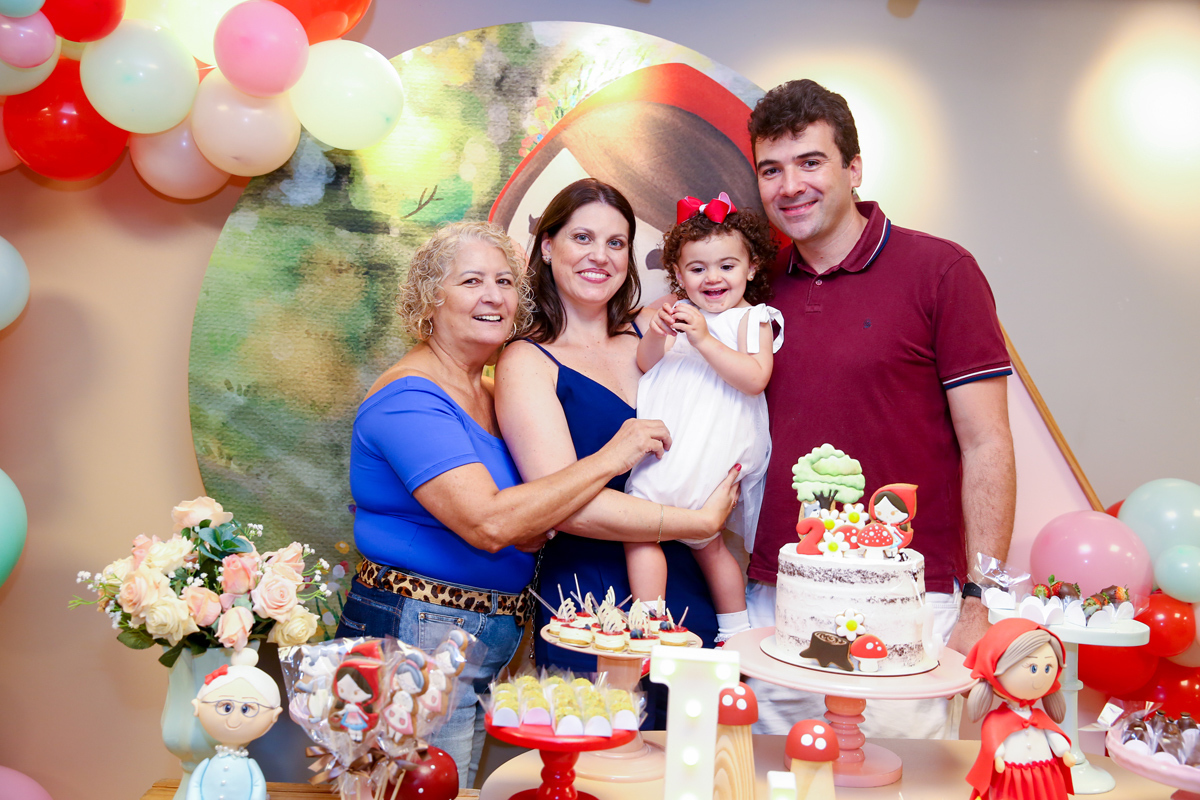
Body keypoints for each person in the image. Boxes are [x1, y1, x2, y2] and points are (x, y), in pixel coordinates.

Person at [335, 220, 674, 787]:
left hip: (475, 636)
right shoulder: (409, 396)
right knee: (411, 794)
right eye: (472, 281)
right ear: (430, 298)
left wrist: (529, 515)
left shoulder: (489, 391)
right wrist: (612, 457)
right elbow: (490, 522)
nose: (493, 296)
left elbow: (528, 510)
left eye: (504, 282)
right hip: (416, 636)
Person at [746, 79, 1016, 738]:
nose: (790, 186)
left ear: (854, 168)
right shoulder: (753, 283)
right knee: (773, 778)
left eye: (811, 162)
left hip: (906, 600)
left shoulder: (942, 271)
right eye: (771, 169)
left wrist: (981, 598)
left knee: (899, 778)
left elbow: (987, 444)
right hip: (778, 594)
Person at [494, 178, 740, 677]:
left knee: (691, 725)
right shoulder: (527, 361)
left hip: (687, 584)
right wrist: (698, 523)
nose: (599, 256)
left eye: (615, 242)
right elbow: (564, 506)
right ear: (547, 246)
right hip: (591, 600)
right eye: (582, 237)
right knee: (601, 725)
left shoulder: (655, 329)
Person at [623, 193, 781, 643]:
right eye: (697, 269)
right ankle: (726, 631)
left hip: (709, 447)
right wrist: (657, 334)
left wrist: (706, 339)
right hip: (674, 444)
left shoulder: (752, 319)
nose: (712, 278)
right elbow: (646, 364)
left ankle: (654, 627)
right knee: (702, 545)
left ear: (751, 268)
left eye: (727, 266)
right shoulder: (677, 316)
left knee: (642, 528)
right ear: (678, 275)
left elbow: (755, 377)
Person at [964, 618, 1075, 800]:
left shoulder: (1039, 716)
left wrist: (1064, 752)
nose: (1041, 676)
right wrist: (998, 756)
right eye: (1033, 668)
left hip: (1042, 773)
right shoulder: (996, 720)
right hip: (1011, 775)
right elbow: (993, 743)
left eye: (1048, 668)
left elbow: (1053, 735)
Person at [188, 650, 282, 800]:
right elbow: (195, 785)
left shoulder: (250, 766)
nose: (234, 719)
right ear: (197, 707)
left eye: (246, 709)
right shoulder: (206, 765)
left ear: (274, 716)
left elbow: (258, 787)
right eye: (226, 707)